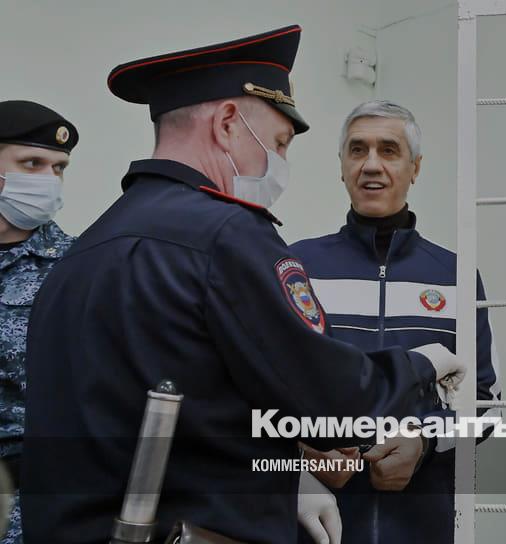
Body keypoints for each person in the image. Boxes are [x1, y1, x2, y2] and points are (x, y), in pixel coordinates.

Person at [21, 26, 465, 544]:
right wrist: (420, 366)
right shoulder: (228, 237)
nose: (280, 164)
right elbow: (334, 404)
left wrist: (289, 477)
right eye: (279, 143)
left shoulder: (85, 249)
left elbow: (194, 407)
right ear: (229, 123)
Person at [289, 100, 502, 544]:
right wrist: (304, 451)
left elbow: (486, 406)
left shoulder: (456, 276)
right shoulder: (296, 267)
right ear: (342, 166)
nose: (371, 164)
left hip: (423, 527)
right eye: (357, 149)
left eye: (389, 150)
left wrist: (424, 444)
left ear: (415, 167)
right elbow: (260, 389)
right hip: (316, 528)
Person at [0, 100, 78, 544]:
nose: (49, 180)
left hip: (32, 508)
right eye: (31, 163)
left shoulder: (79, 267)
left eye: (59, 168)